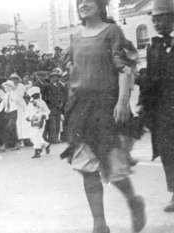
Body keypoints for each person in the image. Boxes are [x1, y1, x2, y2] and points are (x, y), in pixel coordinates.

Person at [61, 0, 146, 232]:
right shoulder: (75, 35)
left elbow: (124, 69)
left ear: (100, 5)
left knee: (114, 166)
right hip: (80, 109)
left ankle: (133, 201)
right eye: (80, 2)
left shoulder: (112, 32)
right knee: (86, 166)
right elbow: (73, 72)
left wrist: (121, 101)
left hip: (106, 107)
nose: (83, 5)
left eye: (89, 1)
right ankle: (99, 223)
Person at [138, 0, 174, 212]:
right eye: (154, 19)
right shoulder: (154, 47)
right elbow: (150, 80)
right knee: (168, 152)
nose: (157, 23)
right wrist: (142, 103)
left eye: (161, 18)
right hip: (163, 112)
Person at [26, 87, 50, 159]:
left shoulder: (42, 102)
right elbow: (28, 111)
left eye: (37, 94)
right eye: (34, 95)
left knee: (36, 135)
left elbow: (47, 111)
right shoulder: (30, 104)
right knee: (32, 136)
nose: (36, 96)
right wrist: (27, 117)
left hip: (40, 121)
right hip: (33, 121)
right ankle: (46, 145)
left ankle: (37, 151)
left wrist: (44, 116)